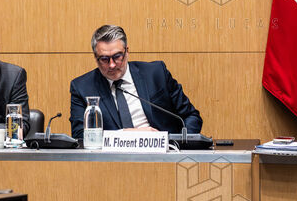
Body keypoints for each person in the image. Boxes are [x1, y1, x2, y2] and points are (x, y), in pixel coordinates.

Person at [69, 24, 201, 136]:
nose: (112, 65)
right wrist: (128, 134)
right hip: (113, 157)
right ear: (95, 57)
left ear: (127, 52)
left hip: (163, 154)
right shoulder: (82, 87)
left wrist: (178, 145)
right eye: (104, 59)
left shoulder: (156, 73)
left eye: (117, 56)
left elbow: (191, 116)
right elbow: (80, 135)